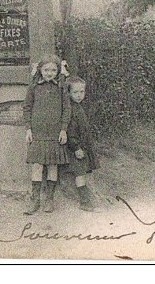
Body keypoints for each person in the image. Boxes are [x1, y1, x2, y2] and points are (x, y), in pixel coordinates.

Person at [22, 54, 70, 215]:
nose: (49, 73)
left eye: (53, 70)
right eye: (46, 69)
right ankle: (35, 200)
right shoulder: (34, 87)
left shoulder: (61, 88)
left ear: (58, 71)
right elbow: (27, 107)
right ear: (40, 70)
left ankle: (49, 199)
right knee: (37, 165)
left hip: (55, 133)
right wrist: (28, 129)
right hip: (37, 133)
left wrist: (63, 129)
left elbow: (66, 109)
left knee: (52, 166)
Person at [65, 76, 99, 212]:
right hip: (74, 148)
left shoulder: (79, 107)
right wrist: (76, 147)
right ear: (68, 93)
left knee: (82, 173)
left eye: (82, 92)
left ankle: (86, 200)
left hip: (82, 146)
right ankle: (84, 201)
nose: (79, 95)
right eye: (75, 92)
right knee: (80, 174)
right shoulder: (71, 110)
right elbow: (70, 131)